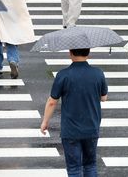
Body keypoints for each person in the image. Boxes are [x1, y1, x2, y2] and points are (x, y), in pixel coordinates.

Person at [40, 48, 108, 177]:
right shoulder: (98, 73)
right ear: (88, 53)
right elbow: (103, 97)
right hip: (92, 127)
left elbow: (52, 102)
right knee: (90, 165)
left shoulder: (63, 75)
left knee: (74, 168)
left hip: (70, 130)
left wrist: (45, 122)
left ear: (70, 53)